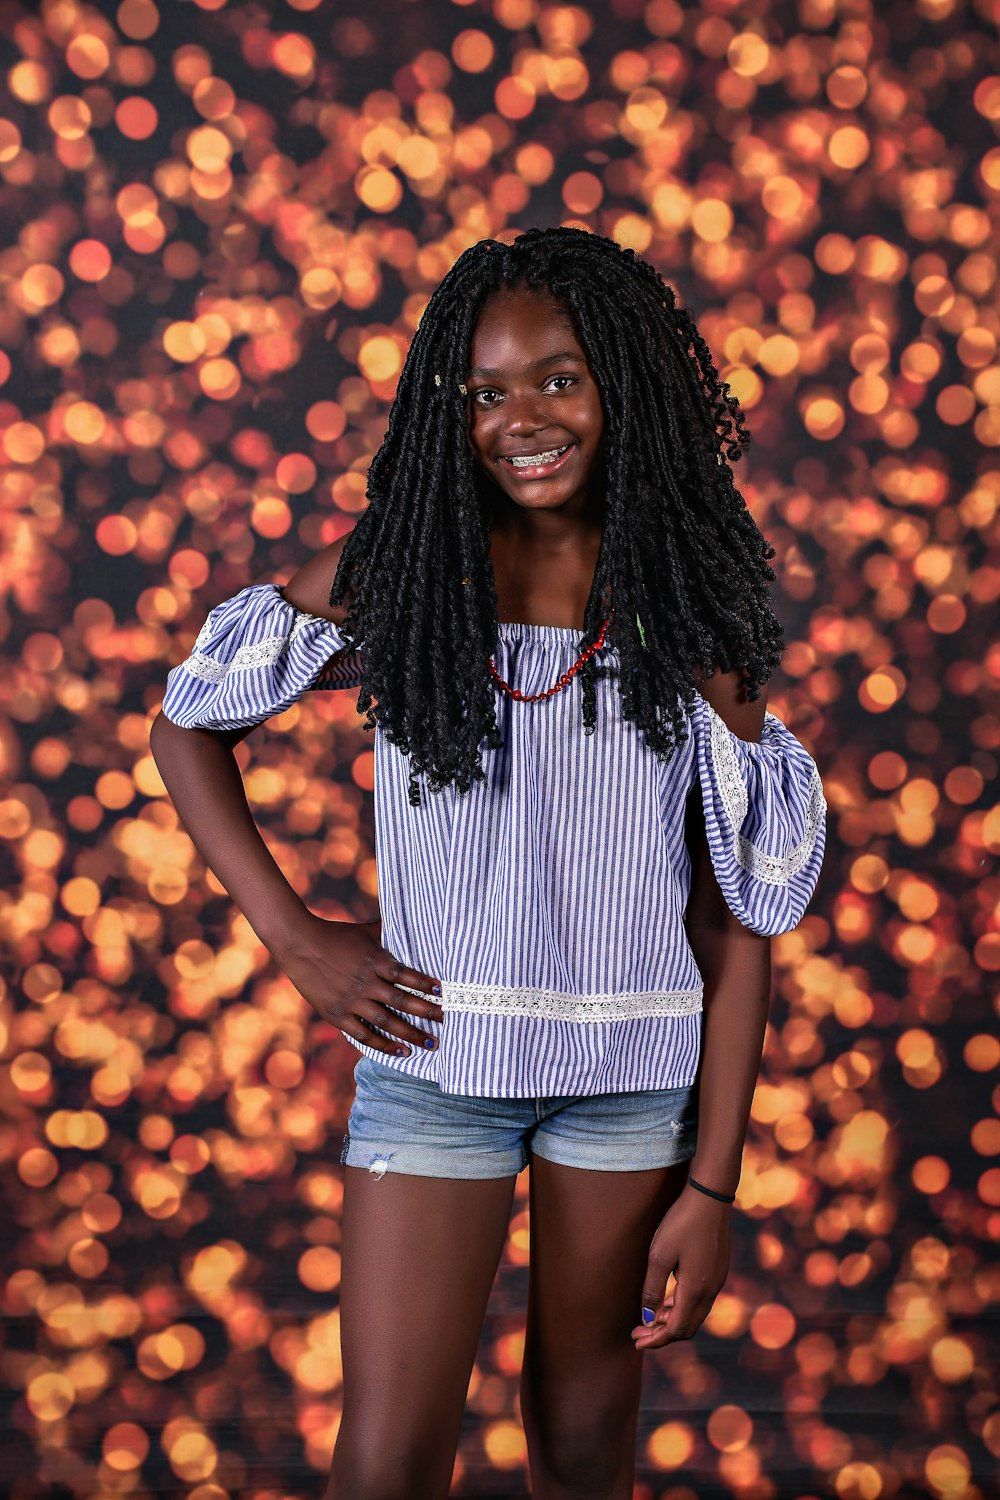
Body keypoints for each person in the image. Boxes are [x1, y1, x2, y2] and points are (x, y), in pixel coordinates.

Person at [151, 226, 827, 1500]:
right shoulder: (407, 577)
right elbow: (187, 723)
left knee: (581, 1445)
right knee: (391, 1459)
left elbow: (736, 920)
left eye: (559, 378)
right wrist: (299, 939)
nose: (522, 416)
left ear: (625, 386)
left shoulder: (691, 614)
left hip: (632, 1087)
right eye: (485, 391)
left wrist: (717, 1183)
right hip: (437, 1071)